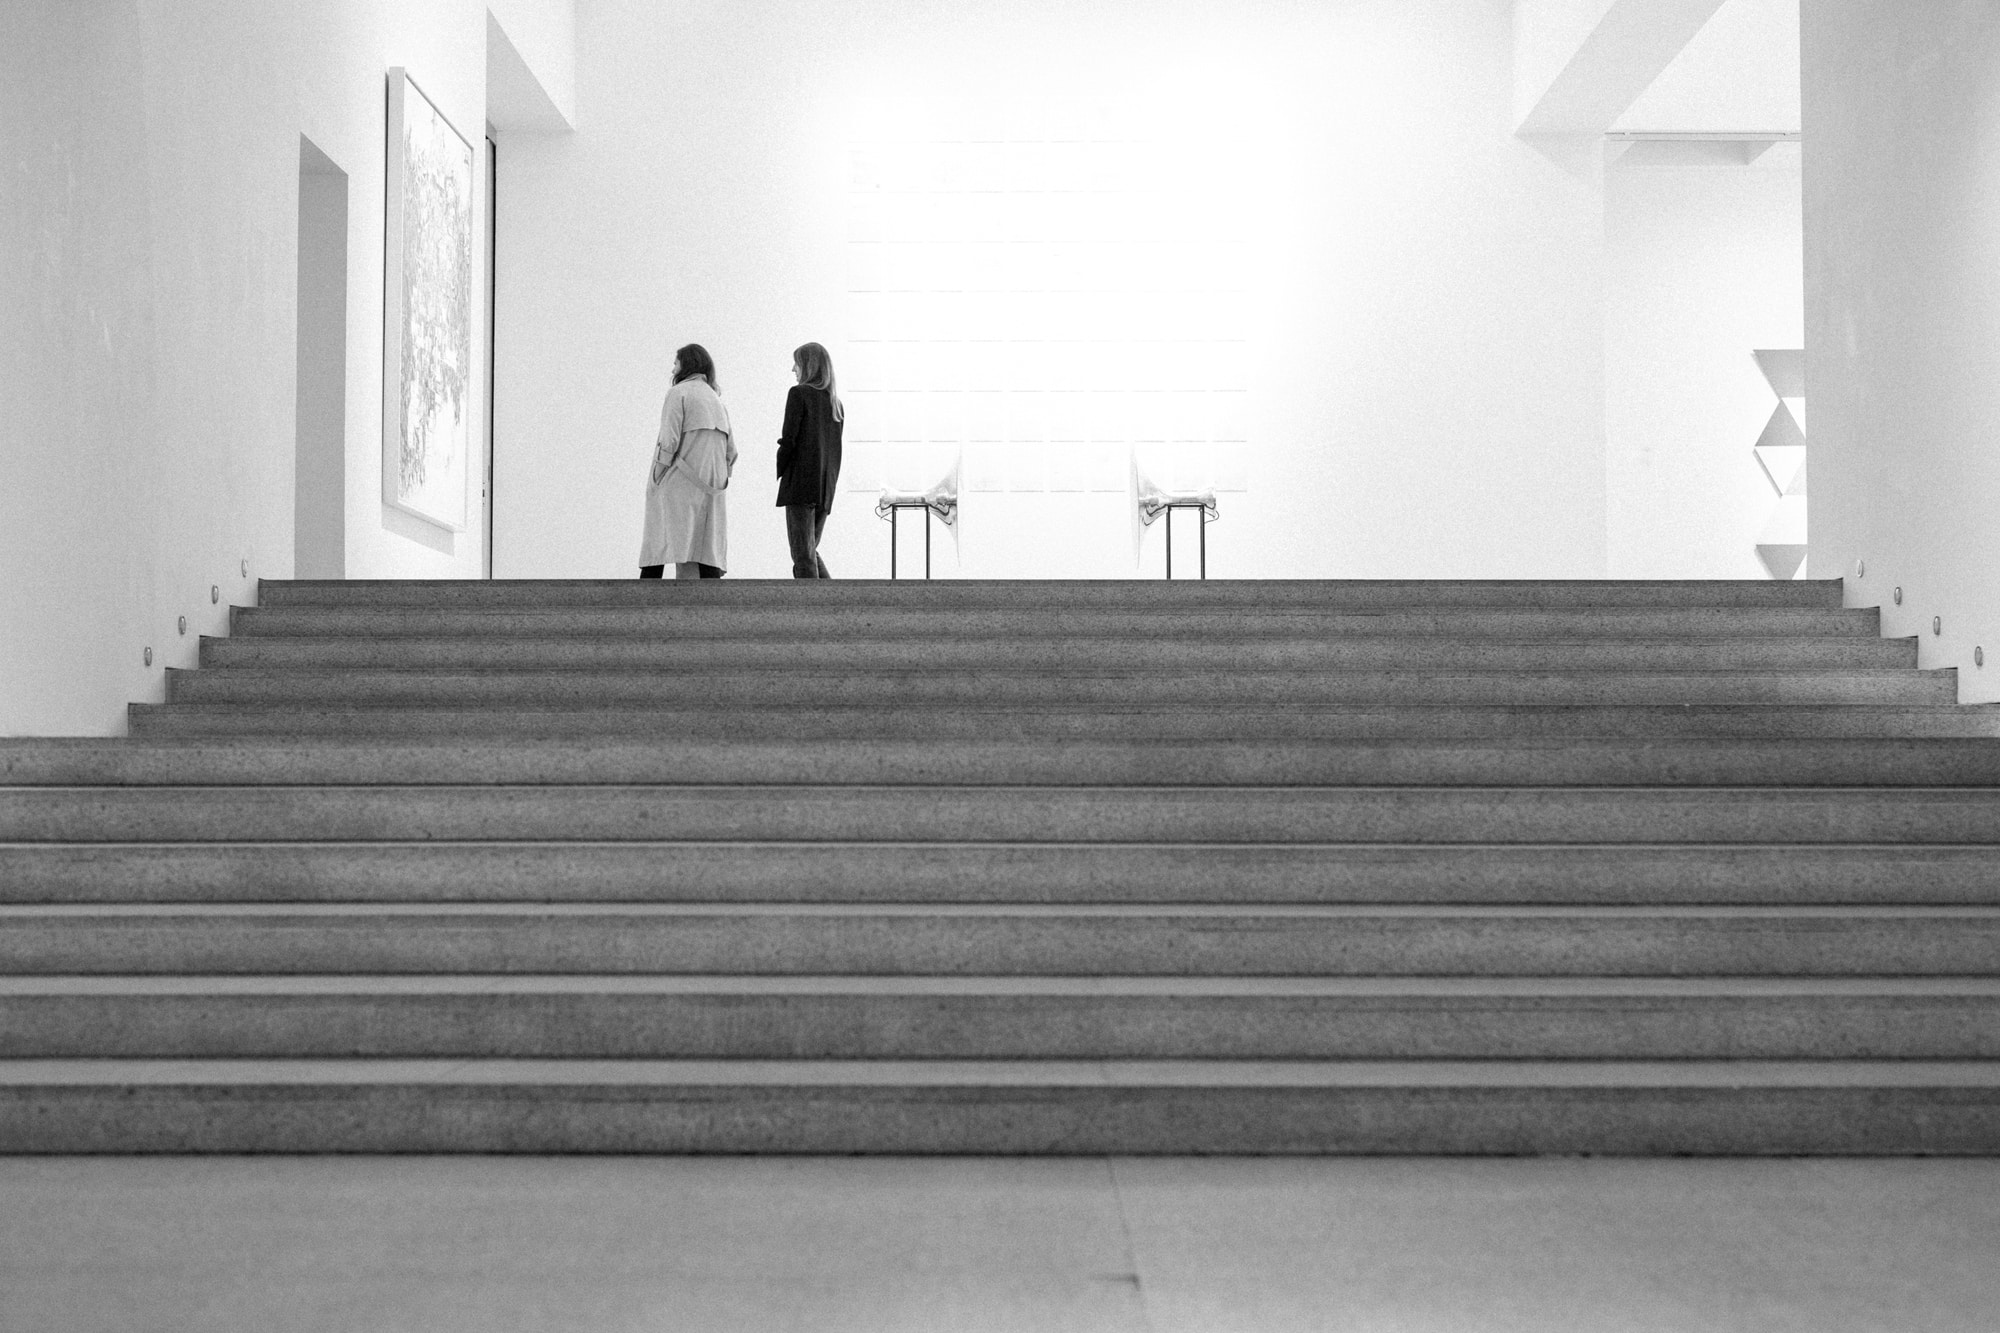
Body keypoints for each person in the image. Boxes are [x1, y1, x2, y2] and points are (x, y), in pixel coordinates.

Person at [640, 344, 736, 579]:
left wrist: (656, 476)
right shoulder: (716, 400)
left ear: (686, 364)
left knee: (661, 542)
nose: (673, 368)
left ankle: (643, 604)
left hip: (679, 481)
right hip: (710, 487)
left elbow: (668, 440)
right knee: (704, 547)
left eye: (676, 362)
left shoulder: (678, 393)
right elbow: (731, 453)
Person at [775, 341, 844, 579]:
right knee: (809, 551)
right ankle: (833, 602)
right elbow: (835, 451)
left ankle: (815, 611)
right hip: (824, 489)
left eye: (797, 363)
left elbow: (789, 439)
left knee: (802, 556)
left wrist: (781, 469)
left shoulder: (799, 394)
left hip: (800, 485)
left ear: (807, 365)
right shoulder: (836, 405)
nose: (793, 369)